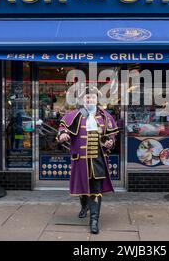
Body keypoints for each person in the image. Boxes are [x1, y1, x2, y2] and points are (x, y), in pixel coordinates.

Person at [56, 86, 119, 234]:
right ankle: (84, 206)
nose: (90, 99)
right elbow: (62, 129)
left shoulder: (105, 116)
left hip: (98, 160)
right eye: (87, 97)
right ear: (83, 100)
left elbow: (112, 135)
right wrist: (63, 135)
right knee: (83, 188)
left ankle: (94, 220)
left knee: (96, 190)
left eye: (92, 97)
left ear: (97, 100)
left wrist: (111, 141)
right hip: (80, 160)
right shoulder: (74, 115)